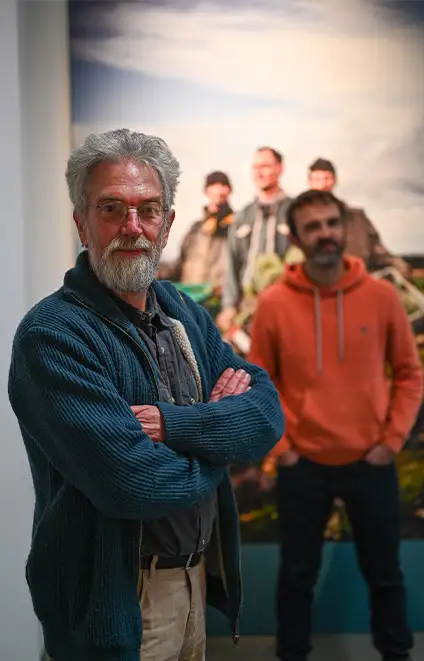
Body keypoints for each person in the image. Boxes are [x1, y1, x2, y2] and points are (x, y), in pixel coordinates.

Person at [8, 129, 285, 661]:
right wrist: (222, 442)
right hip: (118, 605)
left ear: (168, 223)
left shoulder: (180, 310)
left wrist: (176, 426)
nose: (131, 227)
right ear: (81, 222)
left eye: (148, 209)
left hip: (193, 585)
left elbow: (266, 411)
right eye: (111, 208)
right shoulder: (54, 335)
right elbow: (132, 484)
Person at [248, 189, 422, 661]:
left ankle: (397, 653)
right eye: (313, 227)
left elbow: (409, 374)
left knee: (385, 573)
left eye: (331, 223)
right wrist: (281, 447)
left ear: (344, 226)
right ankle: (292, 654)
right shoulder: (274, 304)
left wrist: (391, 441)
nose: (325, 234)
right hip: (302, 463)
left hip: (371, 459)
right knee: (297, 575)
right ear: (297, 237)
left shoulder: (383, 297)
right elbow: (257, 382)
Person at [217, 147, 292, 333]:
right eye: (255, 167)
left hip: (287, 307)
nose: (259, 172)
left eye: (265, 166)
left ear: (280, 168)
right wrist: (229, 306)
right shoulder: (242, 216)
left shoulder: (295, 212)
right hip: (247, 308)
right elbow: (232, 264)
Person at [308, 157, 410, 275]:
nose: (322, 184)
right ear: (309, 183)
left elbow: (378, 252)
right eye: (316, 179)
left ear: (334, 181)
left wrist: (398, 265)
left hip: (357, 283)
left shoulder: (356, 218)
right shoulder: (299, 221)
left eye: (327, 178)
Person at [157, 171, 233, 293]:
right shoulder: (196, 229)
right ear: (207, 191)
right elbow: (179, 264)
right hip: (191, 300)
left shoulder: (236, 227)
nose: (219, 191)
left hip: (218, 300)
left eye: (224, 186)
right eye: (214, 185)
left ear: (229, 191)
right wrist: (153, 273)